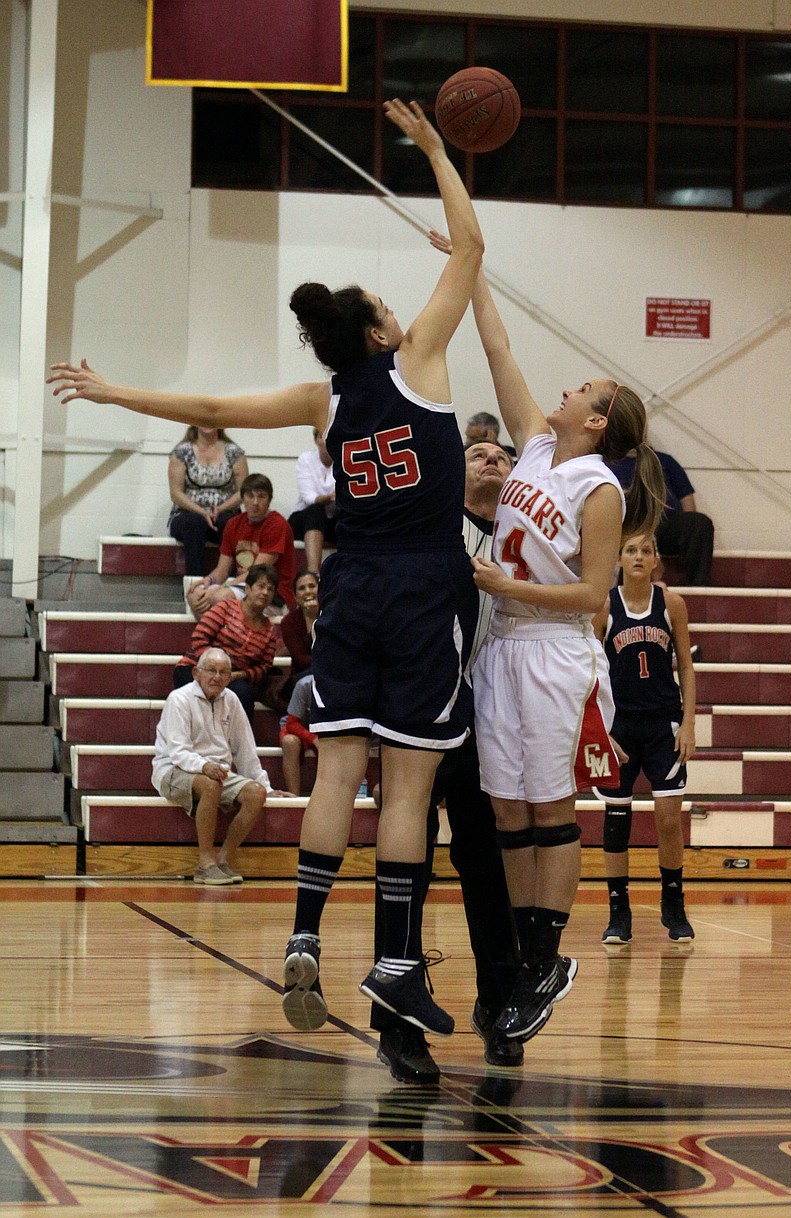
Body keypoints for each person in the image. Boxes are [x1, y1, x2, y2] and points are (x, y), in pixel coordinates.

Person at [48, 96, 485, 1041]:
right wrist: (434, 149)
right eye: (389, 310)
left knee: (337, 775)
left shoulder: (322, 400)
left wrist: (110, 388)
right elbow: (471, 247)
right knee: (408, 789)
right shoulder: (421, 362)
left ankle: (303, 936)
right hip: (423, 585)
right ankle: (395, 965)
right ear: (381, 333)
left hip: (351, 590)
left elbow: (209, 406)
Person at [446, 238, 665, 1046]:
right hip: (501, 647)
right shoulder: (536, 443)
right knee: (506, 807)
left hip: (552, 646)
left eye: (582, 389)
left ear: (598, 420)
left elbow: (593, 595)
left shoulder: (600, 489)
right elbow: (497, 345)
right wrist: (468, 267)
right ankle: (520, 950)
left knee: (549, 805)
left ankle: (545, 954)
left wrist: (507, 587)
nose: (565, 390)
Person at [372, 439, 522, 1083]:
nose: (491, 460)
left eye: (502, 456)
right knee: (409, 866)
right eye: (476, 452)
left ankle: (500, 1005)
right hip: (421, 707)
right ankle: (397, 1023)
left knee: (489, 868)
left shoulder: (523, 539)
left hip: (491, 716)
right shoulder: (430, 525)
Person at [591, 532, 697, 944]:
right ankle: (619, 911)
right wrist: (600, 729)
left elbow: (686, 665)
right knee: (616, 822)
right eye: (631, 550)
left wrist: (688, 724)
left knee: (669, 820)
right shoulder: (604, 605)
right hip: (619, 728)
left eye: (646, 550)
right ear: (618, 558)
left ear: (655, 560)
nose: (638, 556)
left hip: (662, 726)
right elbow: (590, 670)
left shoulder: (672, 604)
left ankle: (673, 903)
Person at [152, 647, 280, 885]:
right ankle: (205, 864)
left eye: (223, 672)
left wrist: (267, 786)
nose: (217, 677)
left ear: (230, 678)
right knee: (211, 785)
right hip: (172, 769)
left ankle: (223, 860)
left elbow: (245, 750)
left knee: (256, 793)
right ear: (196, 673)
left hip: (216, 773)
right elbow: (178, 752)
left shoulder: (232, 700)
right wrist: (204, 766)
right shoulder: (179, 699)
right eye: (211, 670)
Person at [172, 563, 279, 723]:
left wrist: (237, 675)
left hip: (233, 678)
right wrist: (215, 669)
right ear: (248, 588)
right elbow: (199, 637)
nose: (265, 592)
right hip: (198, 668)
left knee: (244, 693)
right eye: (261, 586)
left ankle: (237, 739)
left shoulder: (269, 630)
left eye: (270, 589)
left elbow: (264, 667)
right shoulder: (226, 607)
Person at [185, 473, 296, 620]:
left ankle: (228, 633)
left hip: (272, 591)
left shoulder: (277, 524)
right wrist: (209, 580)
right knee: (194, 595)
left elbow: (256, 572)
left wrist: (222, 588)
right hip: (245, 586)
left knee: (220, 597)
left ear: (269, 500)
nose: (255, 502)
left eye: (261, 497)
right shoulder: (233, 524)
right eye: (250, 496)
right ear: (242, 499)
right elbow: (222, 570)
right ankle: (212, 634)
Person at [610, 449, 714, 586]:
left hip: (664, 526)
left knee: (699, 522)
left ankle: (699, 587)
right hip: (628, 528)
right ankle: (624, 589)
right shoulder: (607, 464)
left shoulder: (665, 461)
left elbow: (688, 505)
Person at [167, 426, 248, 575]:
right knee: (194, 522)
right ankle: (194, 582)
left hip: (224, 513)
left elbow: (243, 491)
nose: (207, 424)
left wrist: (220, 509)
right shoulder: (181, 452)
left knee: (230, 523)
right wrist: (202, 512)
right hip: (188, 515)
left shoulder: (235, 452)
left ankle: (231, 583)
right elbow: (176, 493)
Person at [288, 429, 337, 571]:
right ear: (316, 440)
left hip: (333, 519)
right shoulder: (306, 459)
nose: (326, 441)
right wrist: (331, 497)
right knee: (316, 510)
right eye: (322, 437)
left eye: (330, 436)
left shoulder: (344, 460)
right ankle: (313, 571)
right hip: (304, 518)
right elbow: (309, 498)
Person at [277, 569, 319, 700]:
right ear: (295, 596)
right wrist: (310, 616)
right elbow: (302, 660)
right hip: (301, 677)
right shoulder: (288, 622)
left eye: (312, 586)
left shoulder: (331, 615)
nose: (308, 591)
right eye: (302, 588)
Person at [279, 673, 317, 796]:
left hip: (324, 731)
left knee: (333, 744)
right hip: (300, 727)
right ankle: (293, 796)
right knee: (289, 742)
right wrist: (314, 739)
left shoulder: (340, 687)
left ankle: (326, 796)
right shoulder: (304, 684)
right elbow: (292, 724)